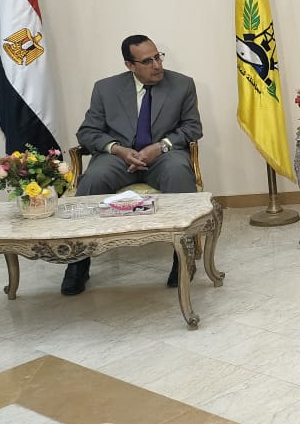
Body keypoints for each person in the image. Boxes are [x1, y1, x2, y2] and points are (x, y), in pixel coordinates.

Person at [60, 35, 203, 296]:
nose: (157, 65)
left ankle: (183, 257)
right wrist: (117, 149)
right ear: (130, 65)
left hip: (163, 156)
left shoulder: (182, 84)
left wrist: (160, 146)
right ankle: (78, 261)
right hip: (118, 158)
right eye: (147, 61)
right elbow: (87, 132)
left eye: (158, 57)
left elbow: (192, 127)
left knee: (178, 173)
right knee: (92, 180)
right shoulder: (105, 88)